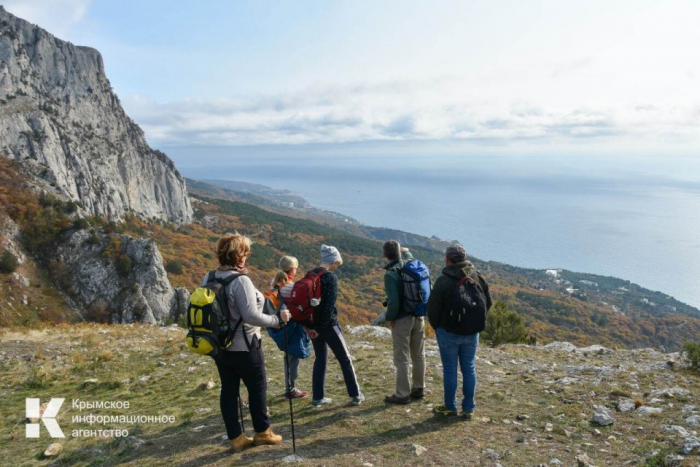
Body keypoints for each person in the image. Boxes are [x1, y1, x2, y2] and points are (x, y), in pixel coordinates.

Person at [206, 233, 291, 452]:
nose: (247, 256)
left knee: (229, 389)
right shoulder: (240, 280)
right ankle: (262, 432)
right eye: (245, 252)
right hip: (245, 345)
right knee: (257, 387)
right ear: (239, 256)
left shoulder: (209, 277)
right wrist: (276, 320)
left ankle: (236, 438)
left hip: (220, 346)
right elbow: (251, 315)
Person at [427, 243, 492, 419]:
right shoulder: (477, 277)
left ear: (447, 259)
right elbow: (488, 303)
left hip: (448, 332)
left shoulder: (443, 280)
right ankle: (468, 408)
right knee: (469, 368)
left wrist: (438, 327)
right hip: (472, 333)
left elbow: (432, 309)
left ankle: (450, 407)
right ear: (465, 259)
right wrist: (475, 323)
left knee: (450, 369)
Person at [308, 244, 364, 407]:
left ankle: (317, 398)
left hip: (312, 325)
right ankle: (356, 395)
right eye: (337, 263)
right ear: (333, 261)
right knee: (345, 359)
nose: (337, 267)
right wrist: (320, 328)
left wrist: (311, 327)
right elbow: (329, 306)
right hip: (329, 326)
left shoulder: (311, 274)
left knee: (320, 359)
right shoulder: (330, 277)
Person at [382, 240, 426, 404]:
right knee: (418, 354)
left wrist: (389, 318)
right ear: (400, 252)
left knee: (402, 358)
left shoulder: (390, 274)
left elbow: (393, 302)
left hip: (402, 319)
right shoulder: (410, 264)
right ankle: (418, 388)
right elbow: (408, 255)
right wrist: (405, 251)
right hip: (419, 316)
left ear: (385, 255)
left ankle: (402, 394)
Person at [268, 255, 311, 399]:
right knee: (293, 359)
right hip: (291, 328)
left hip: (277, 327)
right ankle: (291, 389)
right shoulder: (291, 287)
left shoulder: (274, 284)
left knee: (289, 358)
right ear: (293, 269)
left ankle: (290, 387)